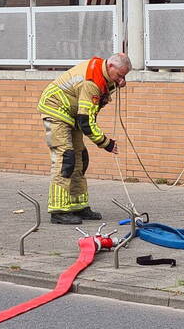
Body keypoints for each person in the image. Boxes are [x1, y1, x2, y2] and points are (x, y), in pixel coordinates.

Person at [38, 53, 130, 225]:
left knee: (80, 157)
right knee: (66, 158)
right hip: (56, 110)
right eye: (119, 76)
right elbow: (86, 121)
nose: (121, 80)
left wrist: (115, 84)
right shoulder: (92, 82)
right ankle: (58, 210)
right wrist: (106, 143)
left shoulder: (102, 75)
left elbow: (92, 106)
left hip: (71, 113)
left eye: (124, 77)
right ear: (110, 67)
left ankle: (78, 206)